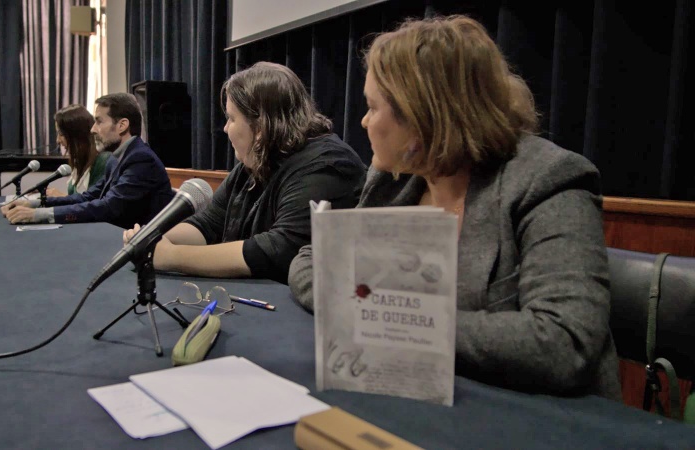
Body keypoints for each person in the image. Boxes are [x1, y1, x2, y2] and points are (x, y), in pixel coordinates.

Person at [288, 16, 621, 399]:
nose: (363, 121)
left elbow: (564, 343)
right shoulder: (394, 180)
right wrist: (358, 309)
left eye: (372, 107)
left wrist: (389, 320)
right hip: (419, 394)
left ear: (421, 116)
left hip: (538, 412)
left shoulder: (548, 178)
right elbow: (312, 259)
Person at [123, 62, 367, 284]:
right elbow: (208, 224)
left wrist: (172, 256)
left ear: (260, 127)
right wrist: (152, 238)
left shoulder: (327, 165)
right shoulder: (256, 161)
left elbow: (278, 250)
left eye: (231, 118)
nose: (225, 128)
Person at [1, 93, 175, 228]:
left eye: (99, 122)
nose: (92, 129)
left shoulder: (140, 159)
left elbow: (108, 208)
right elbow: (88, 197)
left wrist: (38, 215)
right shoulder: (118, 158)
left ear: (122, 125)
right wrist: (34, 204)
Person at [46, 104, 112, 196]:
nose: (58, 140)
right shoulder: (80, 161)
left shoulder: (103, 161)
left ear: (76, 134)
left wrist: (61, 197)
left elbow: (96, 202)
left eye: (61, 134)